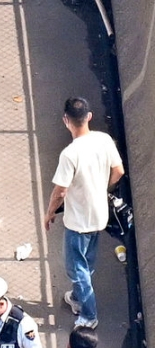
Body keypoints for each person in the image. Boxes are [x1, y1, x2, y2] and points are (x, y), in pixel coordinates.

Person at [44, 96, 124, 330]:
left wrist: (49, 214)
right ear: (89, 117)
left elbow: (60, 191)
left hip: (78, 221)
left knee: (75, 268)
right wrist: (101, 188)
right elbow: (118, 171)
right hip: (99, 216)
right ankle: (78, 298)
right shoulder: (104, 140)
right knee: (86, 262)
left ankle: (89, 316)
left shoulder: (70, 154)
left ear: (66, 120)